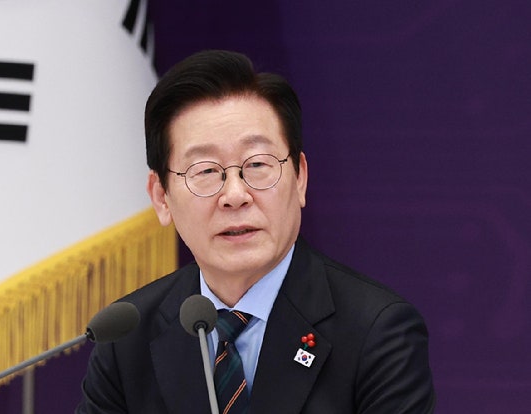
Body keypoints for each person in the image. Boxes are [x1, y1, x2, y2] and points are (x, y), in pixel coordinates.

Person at [76, 50, 435, 413]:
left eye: (258, 164)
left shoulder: (378, 332)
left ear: (300, 178)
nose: (235, 195)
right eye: (205, 171)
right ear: (161, 197)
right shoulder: (126, 340)